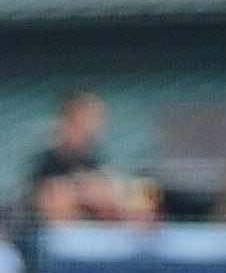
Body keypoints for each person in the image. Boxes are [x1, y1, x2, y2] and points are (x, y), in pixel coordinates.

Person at [26, 88, 144, 224]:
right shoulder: (45, 162)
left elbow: (119, 193)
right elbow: (43, 203)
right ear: (70, 119)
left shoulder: (95, 159)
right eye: (88, 115)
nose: (95, 123)